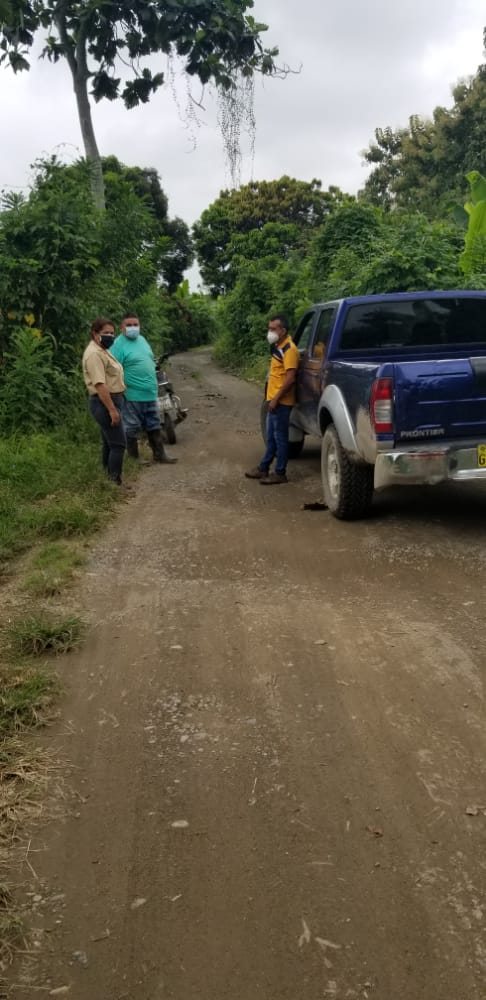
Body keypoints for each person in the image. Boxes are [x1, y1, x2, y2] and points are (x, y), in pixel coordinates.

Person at [111, 312, 177, 465]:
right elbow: (113, 370)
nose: (133, 327)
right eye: (129, 325)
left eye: (135, 324)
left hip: (150, 392)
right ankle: (134, 458)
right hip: (131, 394)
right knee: (132, 426)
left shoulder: (142, 340)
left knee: (154, 424)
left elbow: (149, 360)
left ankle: (159, 455)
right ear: (122, 328)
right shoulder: (118, 345)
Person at [245, 313, 299, 485]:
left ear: (283, 330)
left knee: (280, 438)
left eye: (273, 329)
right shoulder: (279, 347)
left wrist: (276, 399)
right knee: (271, 438)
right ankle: (263, 468)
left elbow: (290, 378)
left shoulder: (289, 350)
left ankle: (280, 472)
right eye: (269, 328)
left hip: (281, 402)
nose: (270, 332)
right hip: (273, 400)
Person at [82, 317, 130, 489]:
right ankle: (114, 482)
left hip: (112, 400)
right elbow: (100, 385)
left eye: (112, 333)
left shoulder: (102, 350)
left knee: (109, 443)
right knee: (119, 444)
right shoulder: (94, 354)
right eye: (105, 333)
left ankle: (107, 479)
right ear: (95, 334)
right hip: (104, 402)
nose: (110, 336)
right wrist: (112, 410)